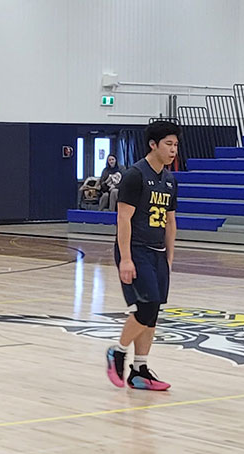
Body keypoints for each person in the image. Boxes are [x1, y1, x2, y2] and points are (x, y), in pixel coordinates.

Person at [105, 121, 179, 391]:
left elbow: (170, 222)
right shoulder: (135, 175)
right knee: (145, 307)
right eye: (168, 144)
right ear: (153, 145)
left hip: (158, 253)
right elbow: (123, 219)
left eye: (175, 145)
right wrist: (125, 258)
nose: (173, 150)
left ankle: (140, 370)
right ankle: (118, 352)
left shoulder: (169, 180)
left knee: (154, 311)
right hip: (135, 250)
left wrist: (169, 257)